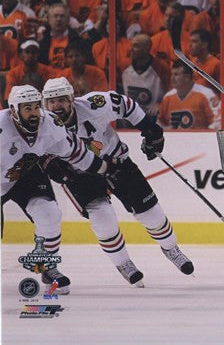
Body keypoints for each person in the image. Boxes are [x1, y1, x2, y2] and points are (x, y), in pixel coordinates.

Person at [42, 77, 194, 280]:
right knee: (104, 220)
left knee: (152, 214)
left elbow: (125, 104)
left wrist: (150, 129)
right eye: (51, 101)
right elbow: (35, 153)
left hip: (117, 163)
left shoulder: (93, 105)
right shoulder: (42, 126)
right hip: (80, 176)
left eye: (60, 100)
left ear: (71, 98)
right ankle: (124, 263)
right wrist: (52, 167)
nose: (56, 106)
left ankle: (171, 249)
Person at [1, 85, 118, 293]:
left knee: (50, 214)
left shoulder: (51, 124)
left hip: (27, 175)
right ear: (13, 111)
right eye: (27, 108)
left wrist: (105, 168)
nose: (34, 113)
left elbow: (76, 152)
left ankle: (48, 267)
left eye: (36, 107)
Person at [157, 60, 220, 129]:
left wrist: (205, 135)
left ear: (187, 77)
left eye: (176, 74)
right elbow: (160, 122)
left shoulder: (206, 94)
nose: (172, 78)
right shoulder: (168, 97)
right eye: (171, 74)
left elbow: (217, 121)